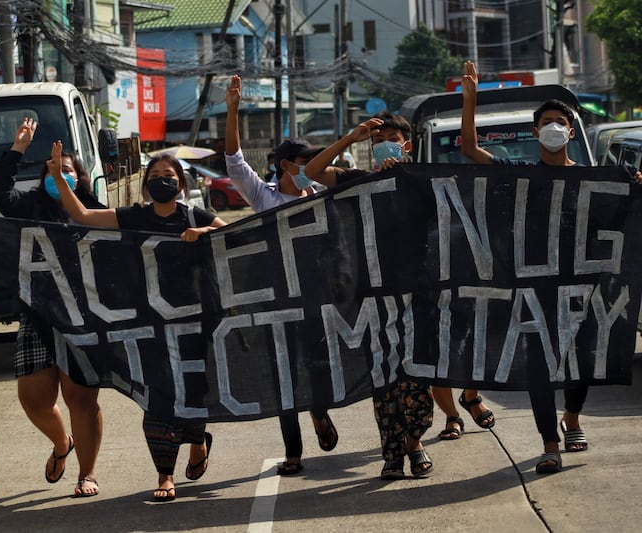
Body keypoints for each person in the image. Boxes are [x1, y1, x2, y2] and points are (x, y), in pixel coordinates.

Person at [457, 60, 642, 472]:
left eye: (561, 121)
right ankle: (549, 444)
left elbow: (616, 223)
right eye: (547, 122)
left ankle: (572, 418)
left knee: (582, 361)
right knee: (540, 366)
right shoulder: (523, 174)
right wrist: (470, 102)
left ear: (570, 132)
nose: (555, 127)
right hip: (535, 289)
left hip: (584, 287)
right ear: (536, 132)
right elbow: (470, 152)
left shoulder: (596, 179)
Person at [48, 142, 226, 502]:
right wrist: (58, 178)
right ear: (146, 184)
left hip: (194, 322)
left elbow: (241, 235)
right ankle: (165, 476)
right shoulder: (134, 217)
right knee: (158, 397)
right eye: (156, 176)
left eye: (169, 176)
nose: (163, 181)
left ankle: (197, 441)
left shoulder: (196, 216)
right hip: (150, 324)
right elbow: (82, 215)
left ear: (181, 184)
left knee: (193, 392)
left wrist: (204, 234)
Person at [304, 111, 436, 479]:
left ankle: (415, 440)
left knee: (415, 376)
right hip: (372, 296)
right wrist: (351, 138)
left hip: (416, 293)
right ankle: (395, 452)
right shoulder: (357, 182)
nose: (382, 146)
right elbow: (312, 173)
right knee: (385, 377)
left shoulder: (421, 183)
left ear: (406, 145)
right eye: (377, 141)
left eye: (391, 139)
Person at [225, 74, 340, 476]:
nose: (311, 166)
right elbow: (234, 162)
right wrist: (234, 109)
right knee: (283, 374)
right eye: (305, 160)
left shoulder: (322, 195)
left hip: (315, 296)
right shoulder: (262, 197)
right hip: (275, 300)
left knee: (319, 363)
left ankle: (320, 411)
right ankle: (293, 452)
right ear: (286, 166)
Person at [0, 118, 103, 497]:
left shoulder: (89, 209)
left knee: (81, 399)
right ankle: (61, 443)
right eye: (52, 170)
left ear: (78, 177)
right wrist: (19, 146)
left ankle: (87, 474)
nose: (58, 174)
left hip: (81, 321)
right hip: (37, 317)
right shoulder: (29, 205)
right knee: (35, 401)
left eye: (65, 170)